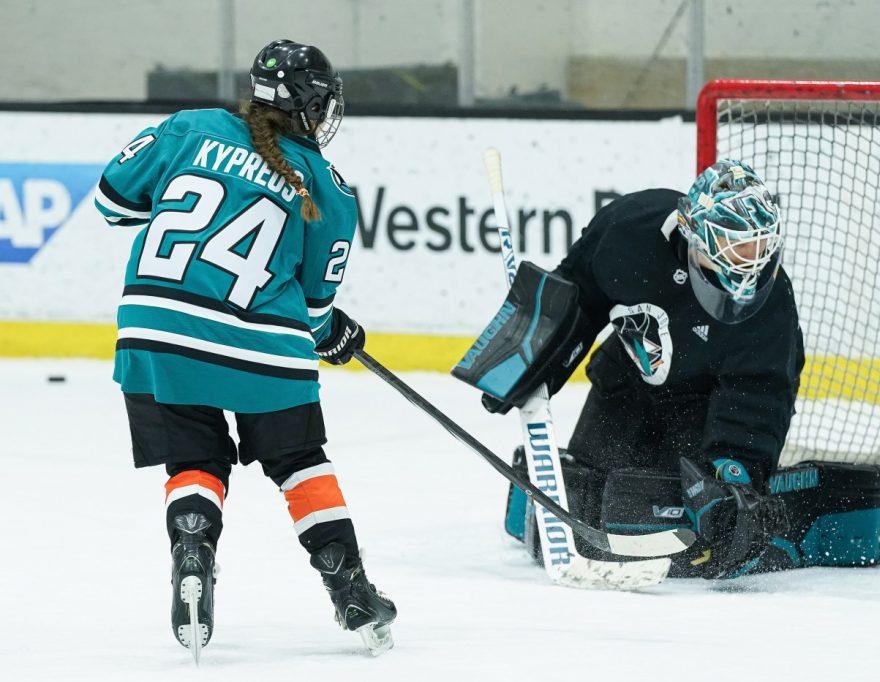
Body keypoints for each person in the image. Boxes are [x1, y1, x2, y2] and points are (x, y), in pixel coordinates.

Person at [93, 39, 396, 659]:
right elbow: (313, 311)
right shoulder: (327, 186)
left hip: (156, 331)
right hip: (261, 342)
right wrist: (333, 330)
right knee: (299, 461)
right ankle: (351, 589)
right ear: (312, 106)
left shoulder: (188, 128)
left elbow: (111, 202)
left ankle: (193, 552)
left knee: (195, 457)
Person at [455, 160, 807, 578]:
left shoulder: (772, 301)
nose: (751, 260)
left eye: (759, 245)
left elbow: (759, 394)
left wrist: (737, 473)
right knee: (590, 489)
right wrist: (526, 356)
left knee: (698, 512)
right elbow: (577, 296)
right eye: (735, 245)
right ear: (692, 232)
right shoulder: (627, 232)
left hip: (704, 410)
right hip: (625, 387)